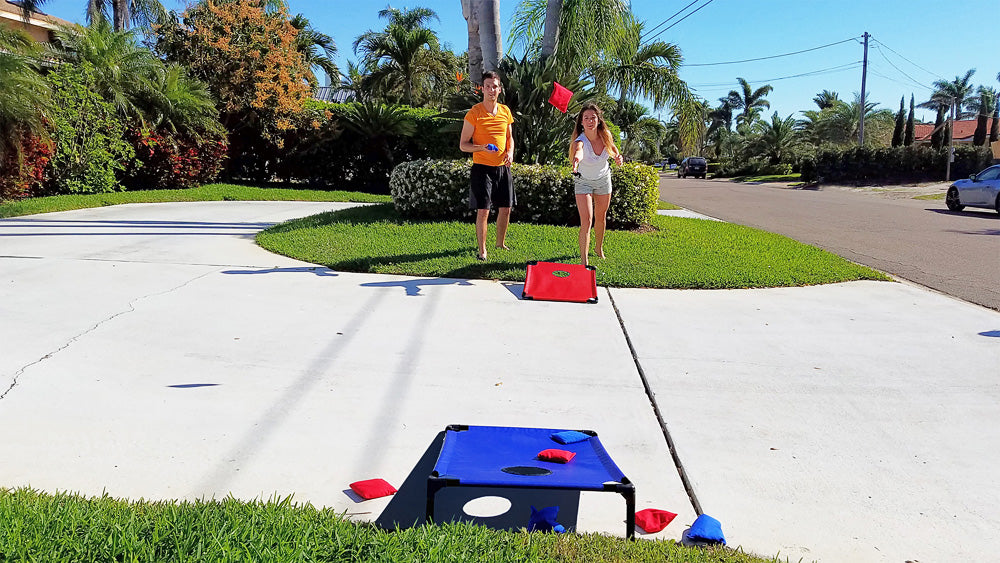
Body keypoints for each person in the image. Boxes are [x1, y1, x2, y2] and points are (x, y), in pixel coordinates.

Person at [459, 71, 515, 261]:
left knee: (506, 208)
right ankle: (483, 250)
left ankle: (500, 243)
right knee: (483, 210)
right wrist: (481, 147)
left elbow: (509, 138)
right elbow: (463, 144)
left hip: (502, 167)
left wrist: (510, 152)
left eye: (495, 86)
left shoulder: (506, 111)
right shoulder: (474, 113)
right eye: (488, 86)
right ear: (482, 89)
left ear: (500, 89)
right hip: (482, 168)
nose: (492, 90)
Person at [569, 103, 623, 267]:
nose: (590, 120)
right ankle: (584, 262)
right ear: (581, 122)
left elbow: (612, 148)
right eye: (586, 118)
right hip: (583, 181)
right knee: (587, 220)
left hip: (603, 179)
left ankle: (599, 249)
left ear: (598, 120)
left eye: (593, 117)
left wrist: (617, 157)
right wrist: (576, 160)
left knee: (601, 217)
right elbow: (579, 151)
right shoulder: (580, 140)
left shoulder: (605, 134)